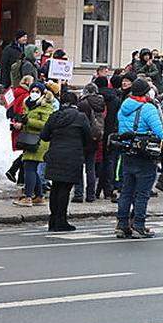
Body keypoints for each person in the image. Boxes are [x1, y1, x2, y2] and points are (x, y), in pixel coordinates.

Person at [115, 78, 163, 238]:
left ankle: (122, 225)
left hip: (127, 152)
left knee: (126, 191)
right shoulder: (148, 108)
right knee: (142, 193)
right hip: (144, 155)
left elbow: (120, 126)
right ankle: (138, 225)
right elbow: (159, 132)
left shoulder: (124, 106)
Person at [40, 90, 96, 231]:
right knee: (65, 189)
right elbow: (88, 138)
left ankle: (53, 220)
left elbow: (44, 135)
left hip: (55, 155)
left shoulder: (54, 116)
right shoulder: (81, 117)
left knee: (55, 188)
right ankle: (61, 221)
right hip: (72, 156)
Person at [14, 85, 54, 207]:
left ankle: (28, 197)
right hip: (30, 140)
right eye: (32, 91)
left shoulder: (45, 105)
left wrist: (28, 122)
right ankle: (39, 196)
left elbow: (46, 124)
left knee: (29, 167)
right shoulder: (29, 104)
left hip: (39, 141)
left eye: (37, 91)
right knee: (31, 168)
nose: (34, 93)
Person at [77, 83, 107, 203]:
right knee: (91, 168)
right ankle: (91, 195)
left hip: (82, 138)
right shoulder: (101, 103)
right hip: (95, 138)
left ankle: (79, 194)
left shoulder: (83, 103)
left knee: (79, 168)